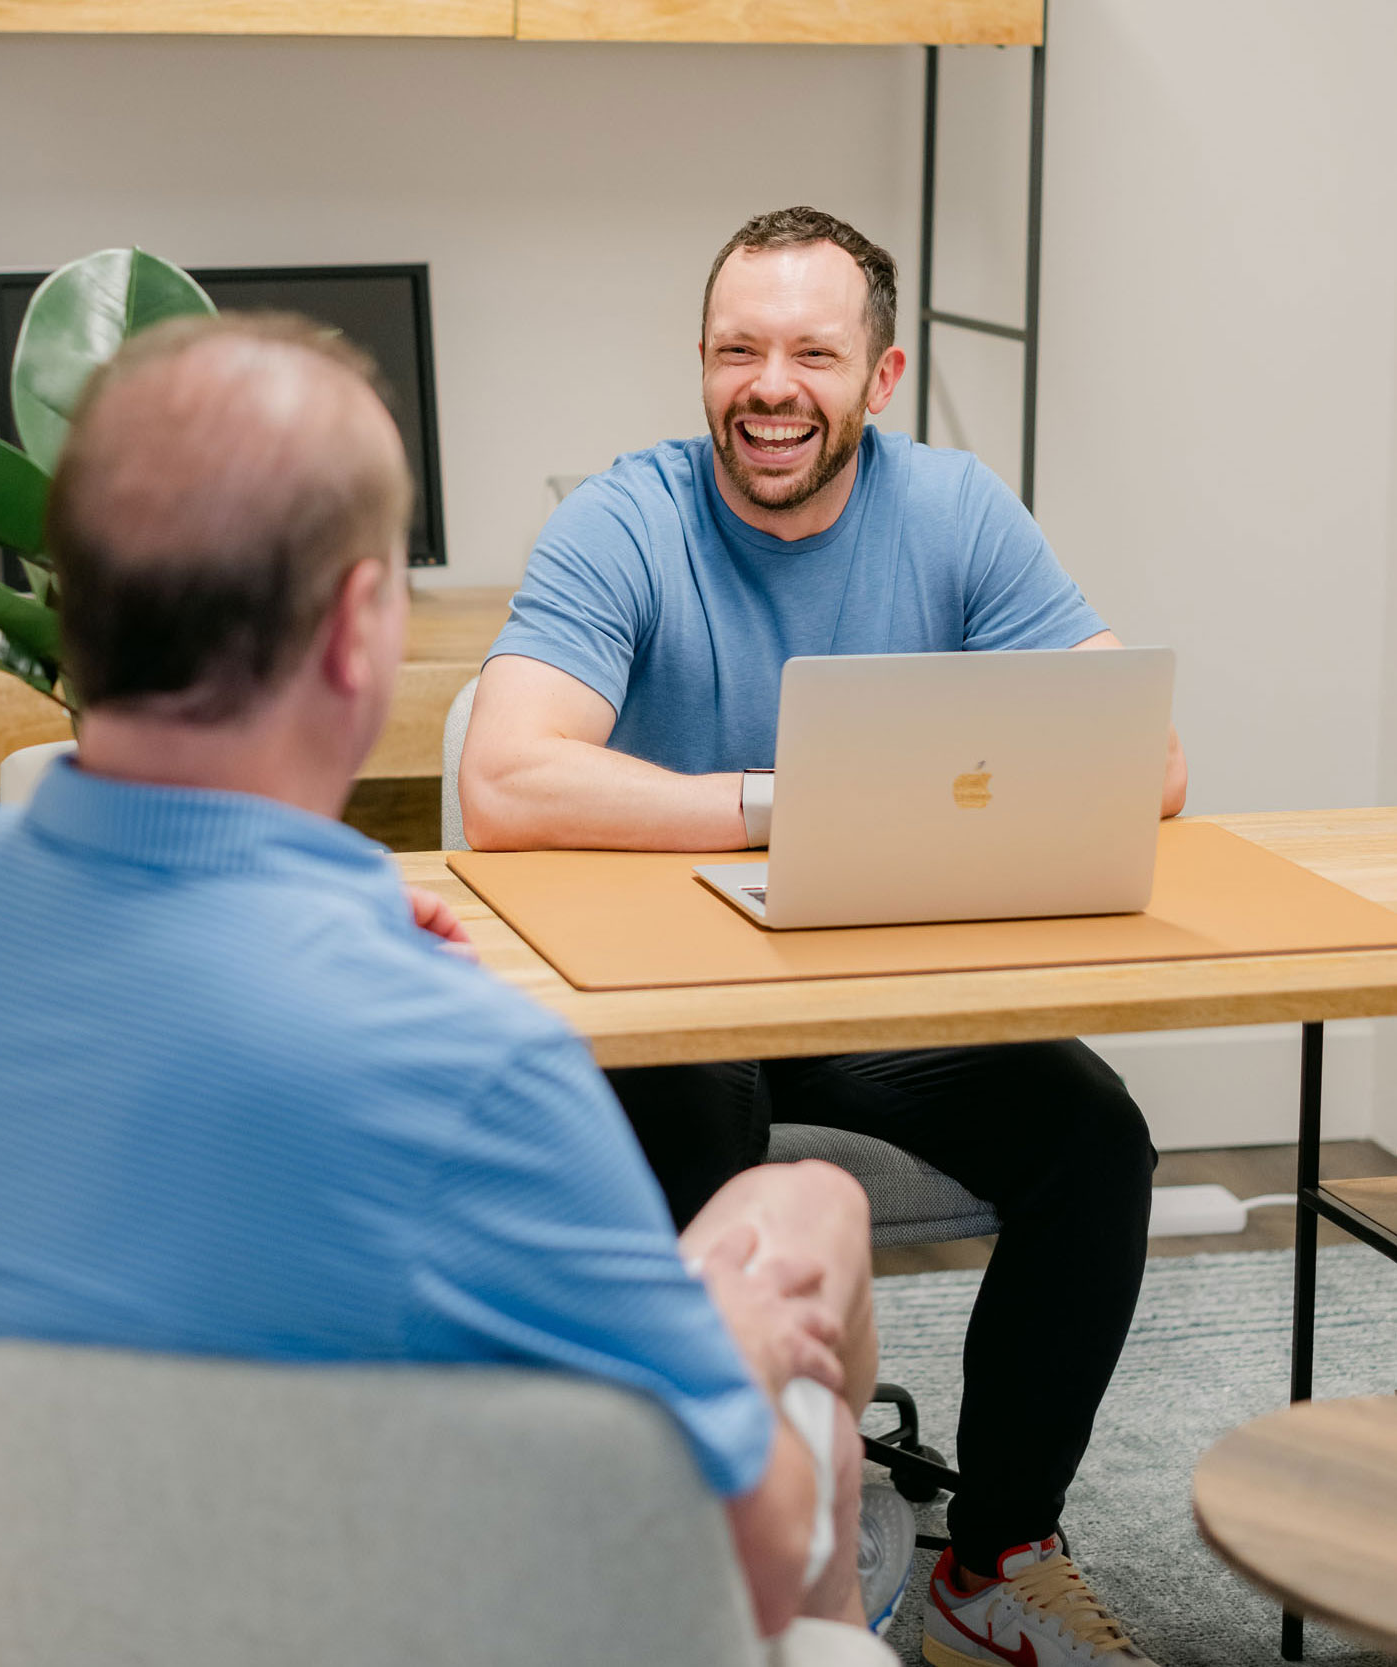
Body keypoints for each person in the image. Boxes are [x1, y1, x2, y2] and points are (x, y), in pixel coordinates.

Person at [0, 313, 909, 1653]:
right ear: (354, 632)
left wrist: (318, 914)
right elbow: (725, 1558)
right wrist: (736, 1349)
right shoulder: (470, 1068)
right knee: (801, 1227)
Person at [459, 207, 1183, 1667]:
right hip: (661, 997)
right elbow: (506, 776)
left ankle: (996, 1565)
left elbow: (1146, 761)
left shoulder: (956, 510)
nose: (769, 384)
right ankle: (727, 1564)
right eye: (737, 350)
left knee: (1095, 1141)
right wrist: (784, 804)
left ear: (883, 375)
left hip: (866, 988)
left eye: (810, 352)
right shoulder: (628, 518)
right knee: (709, 1126)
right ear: (704, 366)